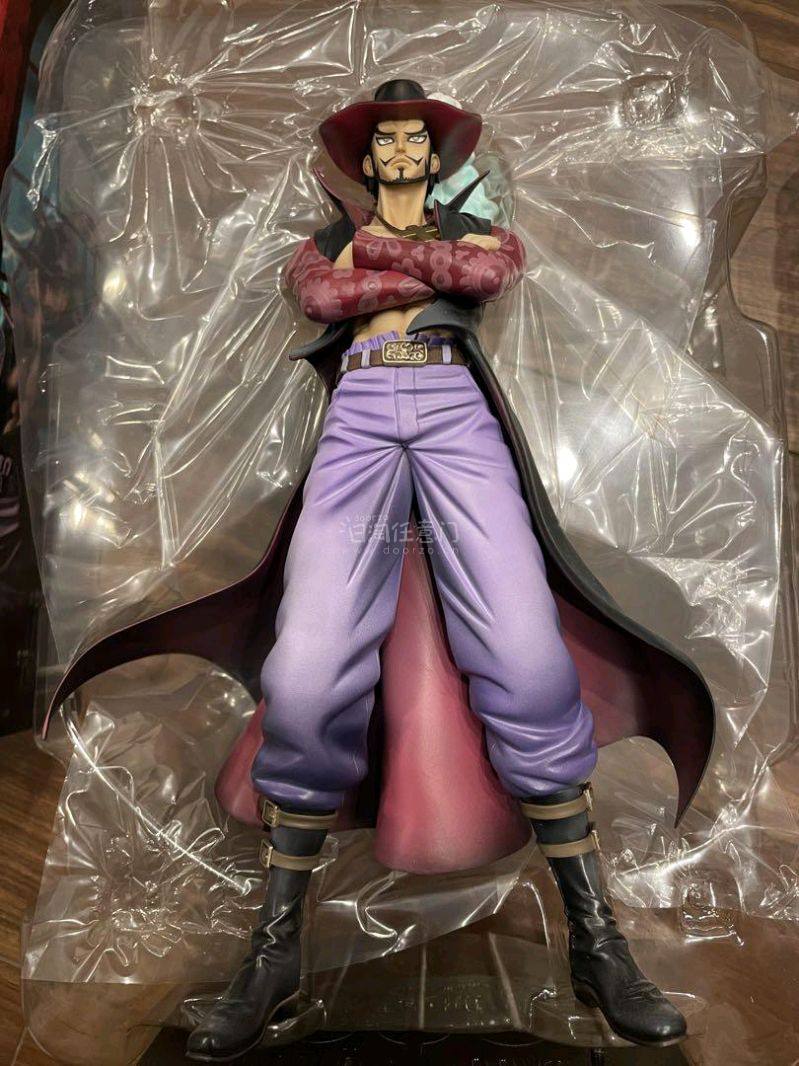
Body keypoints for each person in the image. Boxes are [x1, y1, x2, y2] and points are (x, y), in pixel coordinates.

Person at [185, 79, 691, 1061]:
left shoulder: (461, 230)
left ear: (434, 153)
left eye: (417, 139)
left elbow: (486, 273)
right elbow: (321, 295)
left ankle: (597, 942)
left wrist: (388, 258)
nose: (402, 151)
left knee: (528, 661)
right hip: (360, 414)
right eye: (387, 141)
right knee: (306, 674)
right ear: (366, 157)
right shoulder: (327, 240)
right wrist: (418, 269)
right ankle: (274, 952)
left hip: (453, 410)